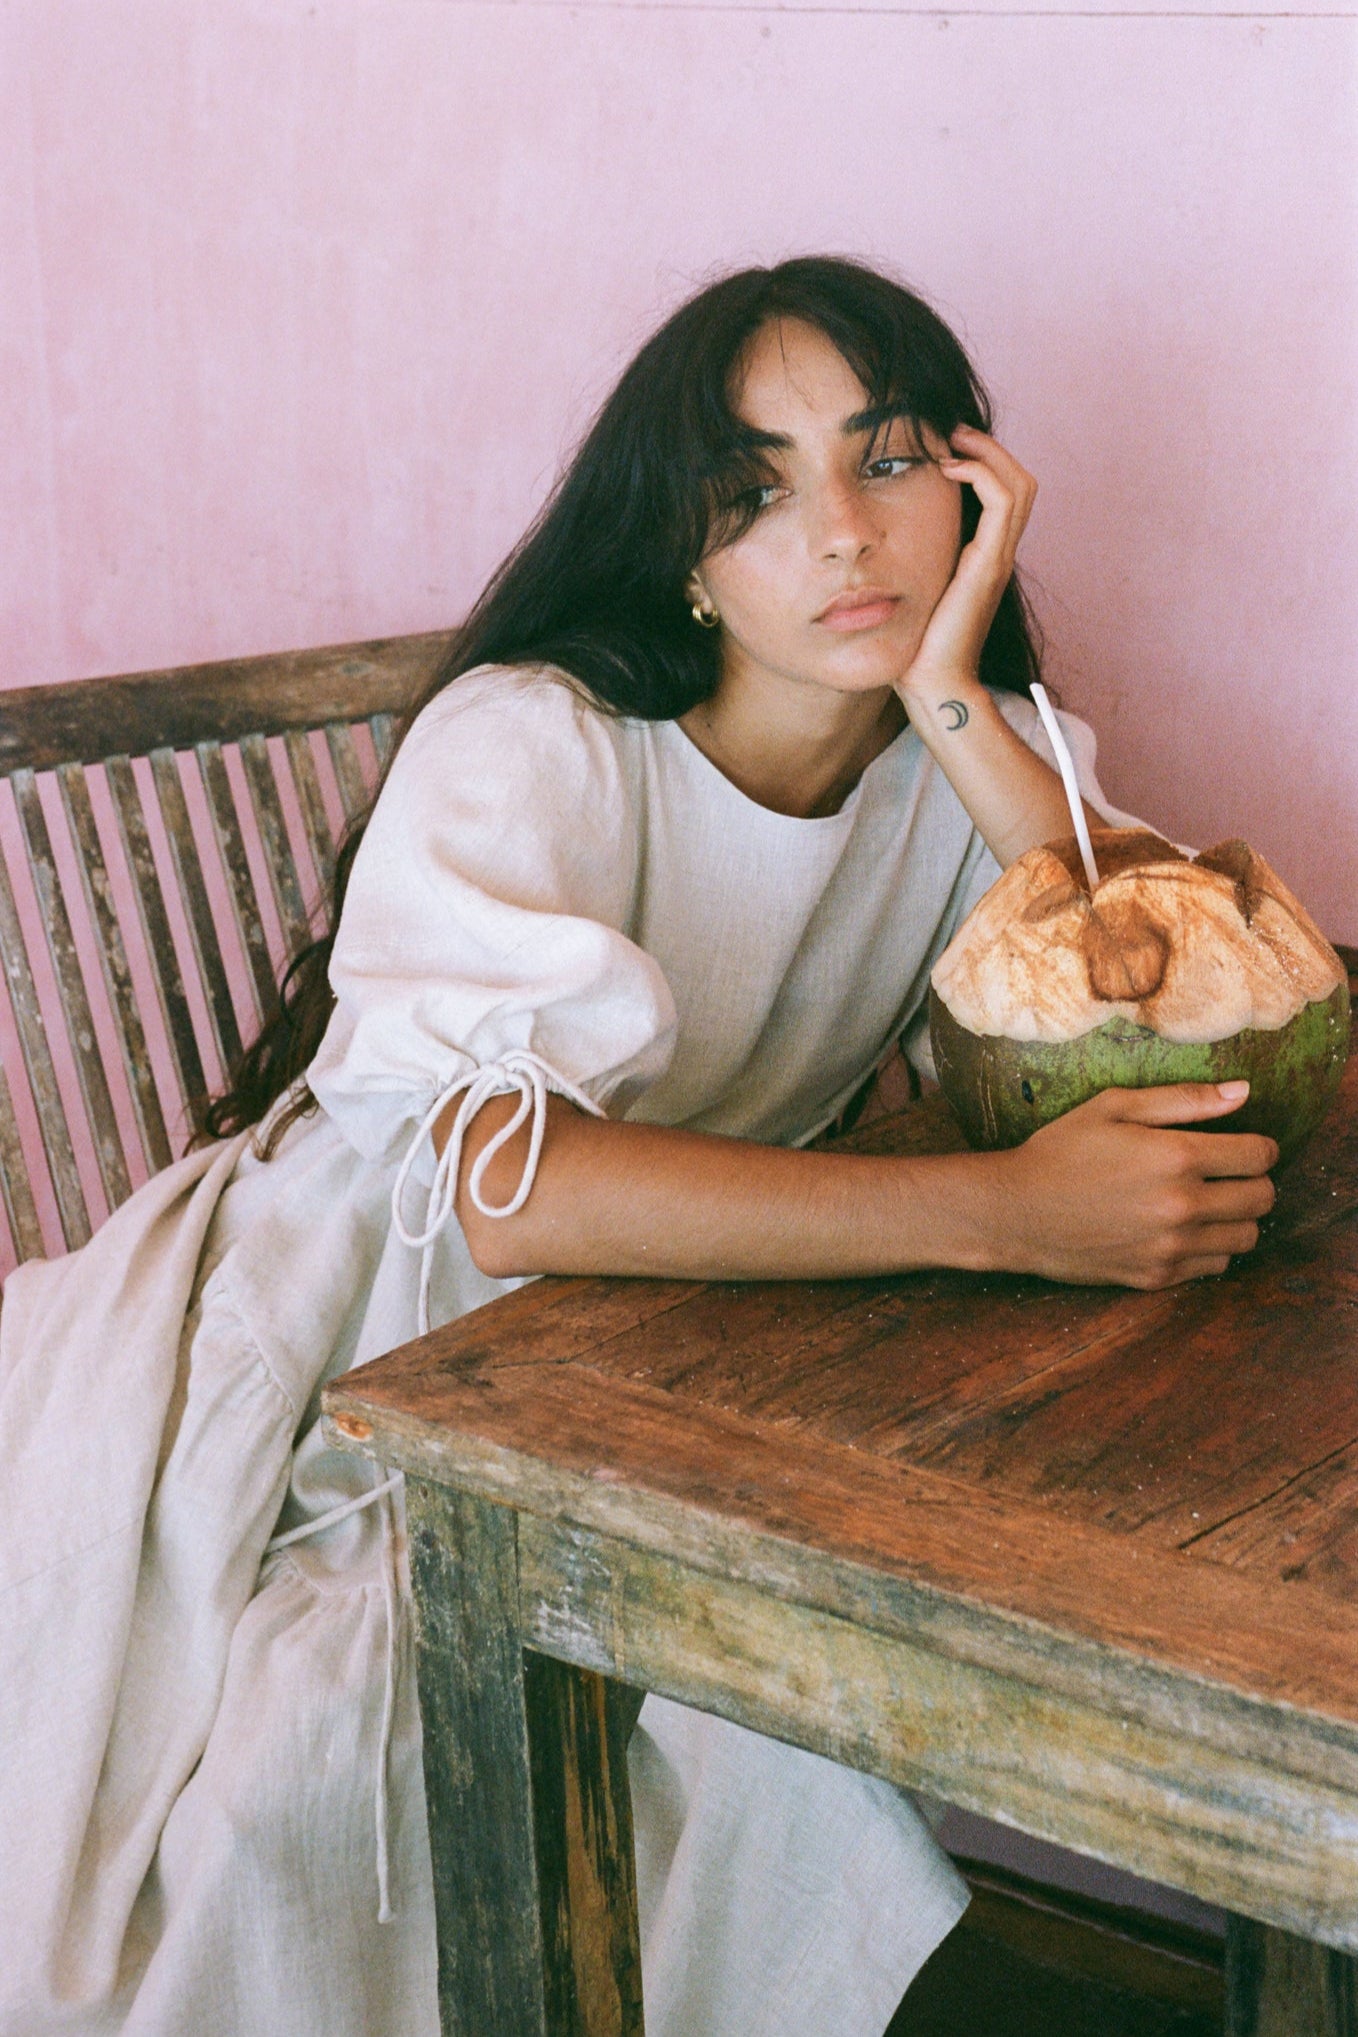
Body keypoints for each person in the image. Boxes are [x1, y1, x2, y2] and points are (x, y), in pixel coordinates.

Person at [0, 256, 1277, 2037]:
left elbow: (1209, 1015)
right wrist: (998, 1209)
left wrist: (958, 691)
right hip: (350, 1333)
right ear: (680, 552)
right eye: (754, 492)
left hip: (658, 1341)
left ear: (978, 492)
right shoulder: (539, 744)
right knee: (329, 1766)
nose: (840, 534)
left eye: (891, 461)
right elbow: (513, 1198)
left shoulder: (962, 763)